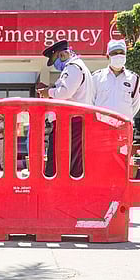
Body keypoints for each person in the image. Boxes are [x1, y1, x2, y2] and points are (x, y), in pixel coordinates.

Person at [37, 40, 94, 177]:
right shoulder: (78, 67)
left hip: (70, 123)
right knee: (72, 162)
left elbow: (64, 93)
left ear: (62, 55)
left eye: (55, 60)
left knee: (58, 162)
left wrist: (48, 93)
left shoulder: (73, 67)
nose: (56, 65)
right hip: (73, 122)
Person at [92, 39, 140, 120]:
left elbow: (136, 105)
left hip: (123, 127)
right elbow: (91, 102)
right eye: (114, 53)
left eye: (121, 53)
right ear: (108, 56)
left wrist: (125, 118)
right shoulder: (96, 77)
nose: (118, 56)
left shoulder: (134, 78)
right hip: (101, 126)